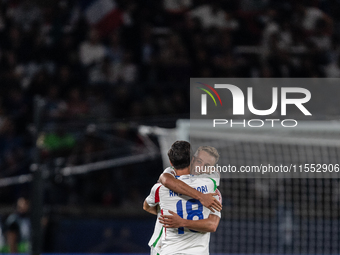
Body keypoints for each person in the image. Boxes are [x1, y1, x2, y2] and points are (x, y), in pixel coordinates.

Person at [144, 141, 221, 255]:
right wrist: (200, 197)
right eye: (199, 161)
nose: (201, 167)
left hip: (169, 249)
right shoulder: (211, 189)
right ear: (193, 160)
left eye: (207, 166)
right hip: (163, 246)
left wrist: (180, 221)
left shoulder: (160, 188)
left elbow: (212, 225)